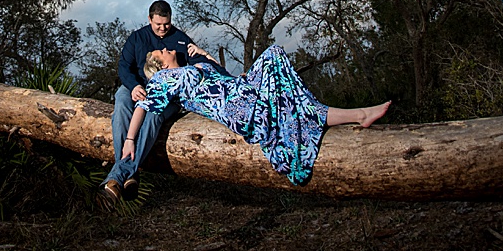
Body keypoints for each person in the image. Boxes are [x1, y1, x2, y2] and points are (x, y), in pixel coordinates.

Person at [123, 43, 390, 186]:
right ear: (159, 64)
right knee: (292, 105)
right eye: (162, 51)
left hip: (242, 88)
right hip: (238, 108)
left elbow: (224, 75)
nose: (167, 48)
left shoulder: (193, 65)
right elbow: (143, 106)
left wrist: (203, 54)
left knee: (274, 54)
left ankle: (360, 115)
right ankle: (360, 114)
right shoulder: (165, 79)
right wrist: (130, 139)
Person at [102, 0, 215, 201]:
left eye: (167, 24)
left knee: (155, 116)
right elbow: (123, 67)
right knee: (121, 103)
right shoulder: (137, 38)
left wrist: (202, 54)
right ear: (149, 19)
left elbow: (201, 64)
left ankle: (118, 176)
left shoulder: (180, 39)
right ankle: (130, 173)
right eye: (158, 24)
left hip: (168, 94)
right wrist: (134, 86)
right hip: (138, 86)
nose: (163, 28)